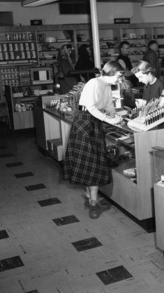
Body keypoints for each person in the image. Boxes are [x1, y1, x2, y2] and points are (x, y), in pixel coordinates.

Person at [63, 61, 123, 219]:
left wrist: (115, 116)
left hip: (94, 122)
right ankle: (94, 202)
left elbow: (109, 104)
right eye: (119, 76)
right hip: (85, 122)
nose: (120, 80)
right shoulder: (94, 83)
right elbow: (90, 107)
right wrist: (108, 120)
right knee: (92, 162)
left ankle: (90, 197)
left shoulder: (107, 86)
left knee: (91, 161)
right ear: (110, 73)